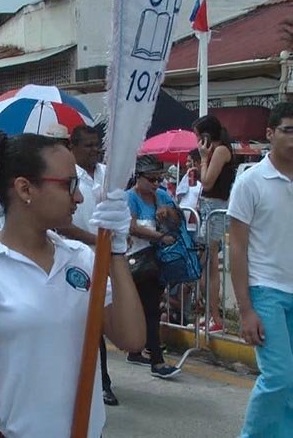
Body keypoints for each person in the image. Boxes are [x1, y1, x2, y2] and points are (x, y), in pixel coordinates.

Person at [0, 133, 145, 438]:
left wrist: (116, 252)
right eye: (69, 185)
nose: (79, 198)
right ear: (25, 188)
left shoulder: (80, 258)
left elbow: (131, 338)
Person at [228, 102, 293, 437]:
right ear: (270, 133)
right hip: (266, 290)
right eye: (288, 130)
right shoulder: (250, 181)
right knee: (279, 377)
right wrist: (246, 310)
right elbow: (237, 247)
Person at [56, 125, 119, 406]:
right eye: (89, 145)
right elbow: (62, 224)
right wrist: (97, 240)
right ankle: (97, 382)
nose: (95, 150)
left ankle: (99, 380)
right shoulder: (68, 178)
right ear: (74, 147)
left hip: (105, 258)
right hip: (76, 259)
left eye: (97, 145)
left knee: (100, 321)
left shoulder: (107, 175)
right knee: (85, 320)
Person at [125, 155, 182, 378]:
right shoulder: (130, 198)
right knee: (149, 310)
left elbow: (177, 221)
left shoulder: (162, 196)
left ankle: (137, 350)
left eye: (159, 179)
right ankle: (156, 361)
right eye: (151, 179)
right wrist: (159, 237)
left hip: (157, 262)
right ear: (139, 178)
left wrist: (168, 214)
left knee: (148, 309)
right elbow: (131, 227)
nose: (156, 184)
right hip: (136, 261)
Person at [194, 115, 236, 332]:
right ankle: (210, 313)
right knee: (205, 263)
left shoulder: (220, 151)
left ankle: (215, 316)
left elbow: (208, 182)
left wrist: (203, 159)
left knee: (210, 263)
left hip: (215, 208)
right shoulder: (218, 151)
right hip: (209, 207)